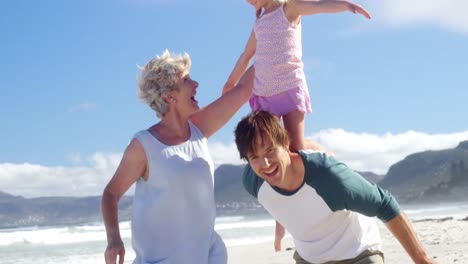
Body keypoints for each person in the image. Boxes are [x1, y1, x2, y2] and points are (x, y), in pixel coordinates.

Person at [223, 0, 371, 249]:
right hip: (264, 97)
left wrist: (346, 5)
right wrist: (230, 84)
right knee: (273, 160)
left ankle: (322, 161)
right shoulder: (259, 23)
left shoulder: (288, 9)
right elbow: (246, 55)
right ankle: (281, 225)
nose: (248, 1)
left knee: (296, 152)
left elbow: (319, 5)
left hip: (290, 91)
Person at [101, 50, 254, 264]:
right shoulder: (144, 145)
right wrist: (113, 239)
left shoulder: (199, 128)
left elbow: (244, 89)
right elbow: (111, 193)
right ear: (169, 96)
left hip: (210, 258)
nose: (196, 84)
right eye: (187, 80)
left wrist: (276, 28)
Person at [234, 110, 436, 264]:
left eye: (270, 151)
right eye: (255, 157)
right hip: (310, 259)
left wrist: (422, 260)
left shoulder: (327, 177)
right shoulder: (254, 181)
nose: (265, 164)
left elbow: (385, 205)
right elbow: (284, 203)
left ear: (285, 144)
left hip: (358, 253)